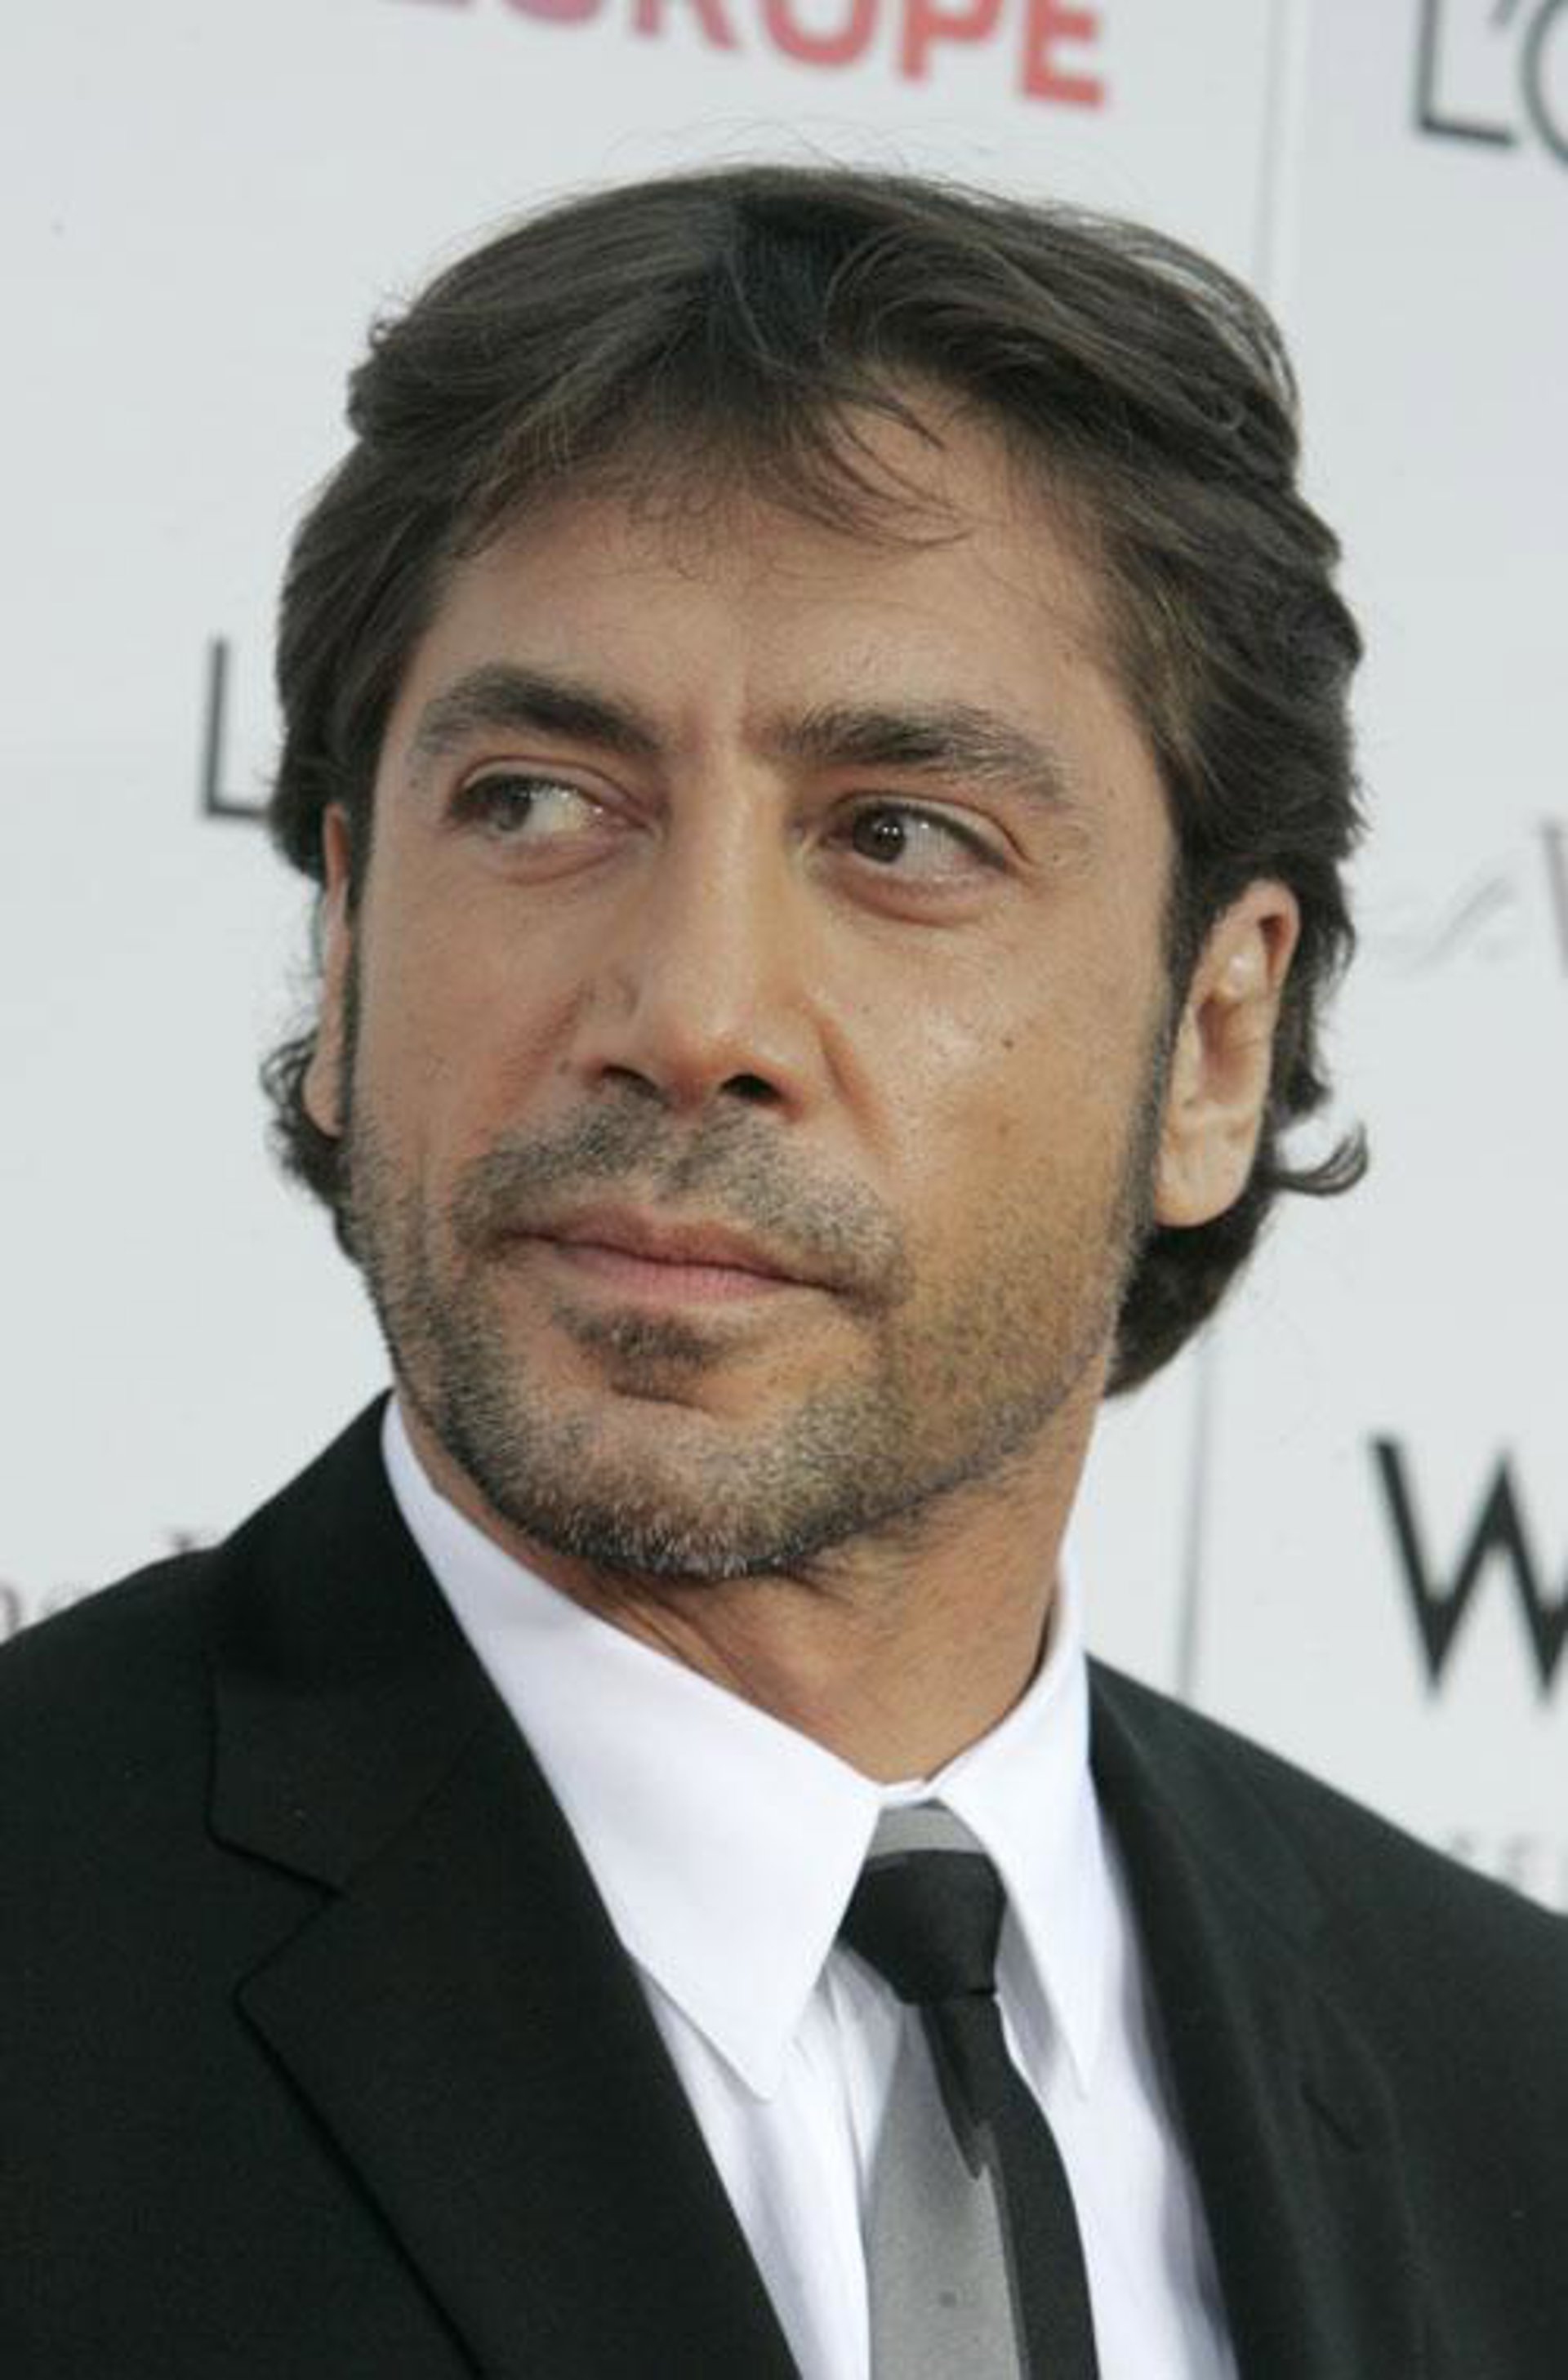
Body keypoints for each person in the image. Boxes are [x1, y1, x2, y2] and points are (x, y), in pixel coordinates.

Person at [2, 165, 1564, 2380]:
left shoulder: (1515, 2091)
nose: (692, 1008)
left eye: (901, 835)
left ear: (1215, 1044)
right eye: (537, 801)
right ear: (346, 942)